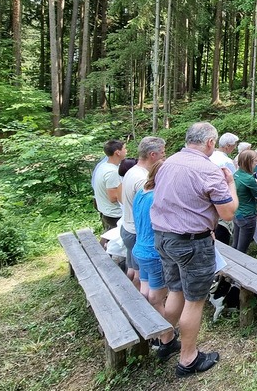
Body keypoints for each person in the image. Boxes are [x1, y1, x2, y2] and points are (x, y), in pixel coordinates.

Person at [151, 122, 238, 377]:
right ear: (211, 142)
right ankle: (188, 359)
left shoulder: (169, 162)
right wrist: (230, 183)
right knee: (195, 300)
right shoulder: (208, 170)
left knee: (176, 290)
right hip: (192, 243)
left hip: (163, 238)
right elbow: (228, 213)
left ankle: (166, 341)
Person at [131, 159, 179, 361]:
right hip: (153, 252)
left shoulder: (141, 193)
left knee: (146, 292)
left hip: (139, 248)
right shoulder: (157, 197)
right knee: (157, 298)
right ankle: (165, 339)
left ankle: (154, 331)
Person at [119, 137, 166, 288]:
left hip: (128, 228)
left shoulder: (132, 171)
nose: (164, 157)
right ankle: (136, 305)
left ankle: (127, 294)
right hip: (137, 233)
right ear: (153, 155)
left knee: (132, 270)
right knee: (141, 278)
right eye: (163, 153)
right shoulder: (143, 179)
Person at [93, 139, 127, 231]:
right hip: (115, 215)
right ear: (118, 152)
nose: (126, 151)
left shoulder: (103, 166)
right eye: (125, 149)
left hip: (106, 211)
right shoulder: (112, 172)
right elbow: (113, 198)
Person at [232, 150, 257, 254]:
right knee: (242, 250)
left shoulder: (235, 174)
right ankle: (237, 269)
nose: (256, 164)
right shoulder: (249, 179)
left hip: (237, 214)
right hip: (248, 215)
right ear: (248, 162)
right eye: (255, 161)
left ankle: (232, 266)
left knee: (235, 245)